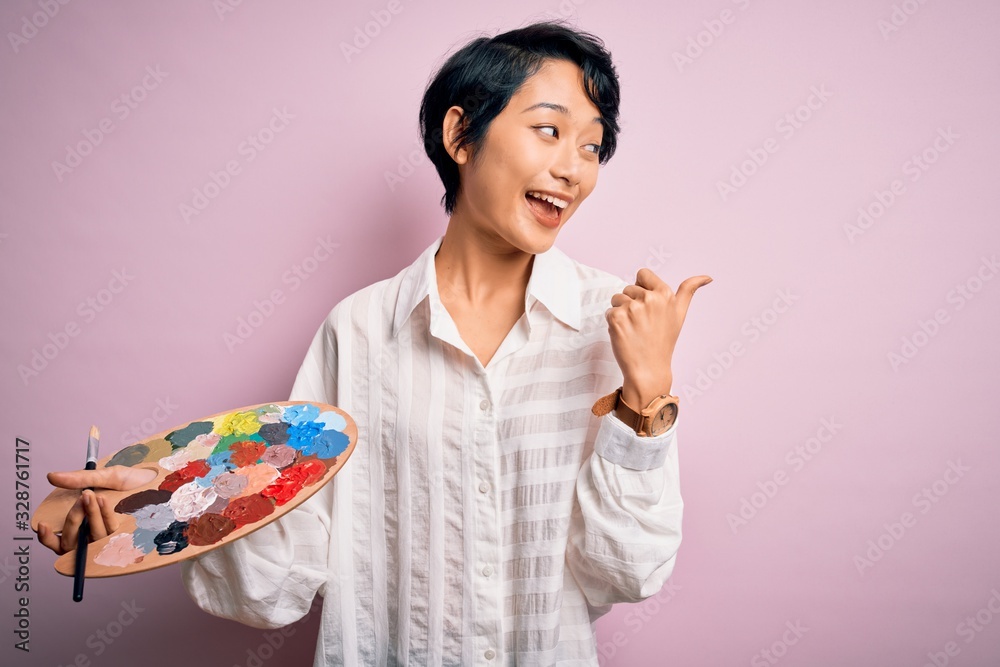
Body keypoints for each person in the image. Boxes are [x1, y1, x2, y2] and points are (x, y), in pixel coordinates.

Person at [37, 19, 712, 666]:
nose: (573, 169)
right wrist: (171, 500)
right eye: (548, 130)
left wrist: (644, 400)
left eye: (592, 147)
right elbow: (282, 579)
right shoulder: (357, 330)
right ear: (460, 135)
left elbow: (625, 572)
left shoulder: (614, 325)